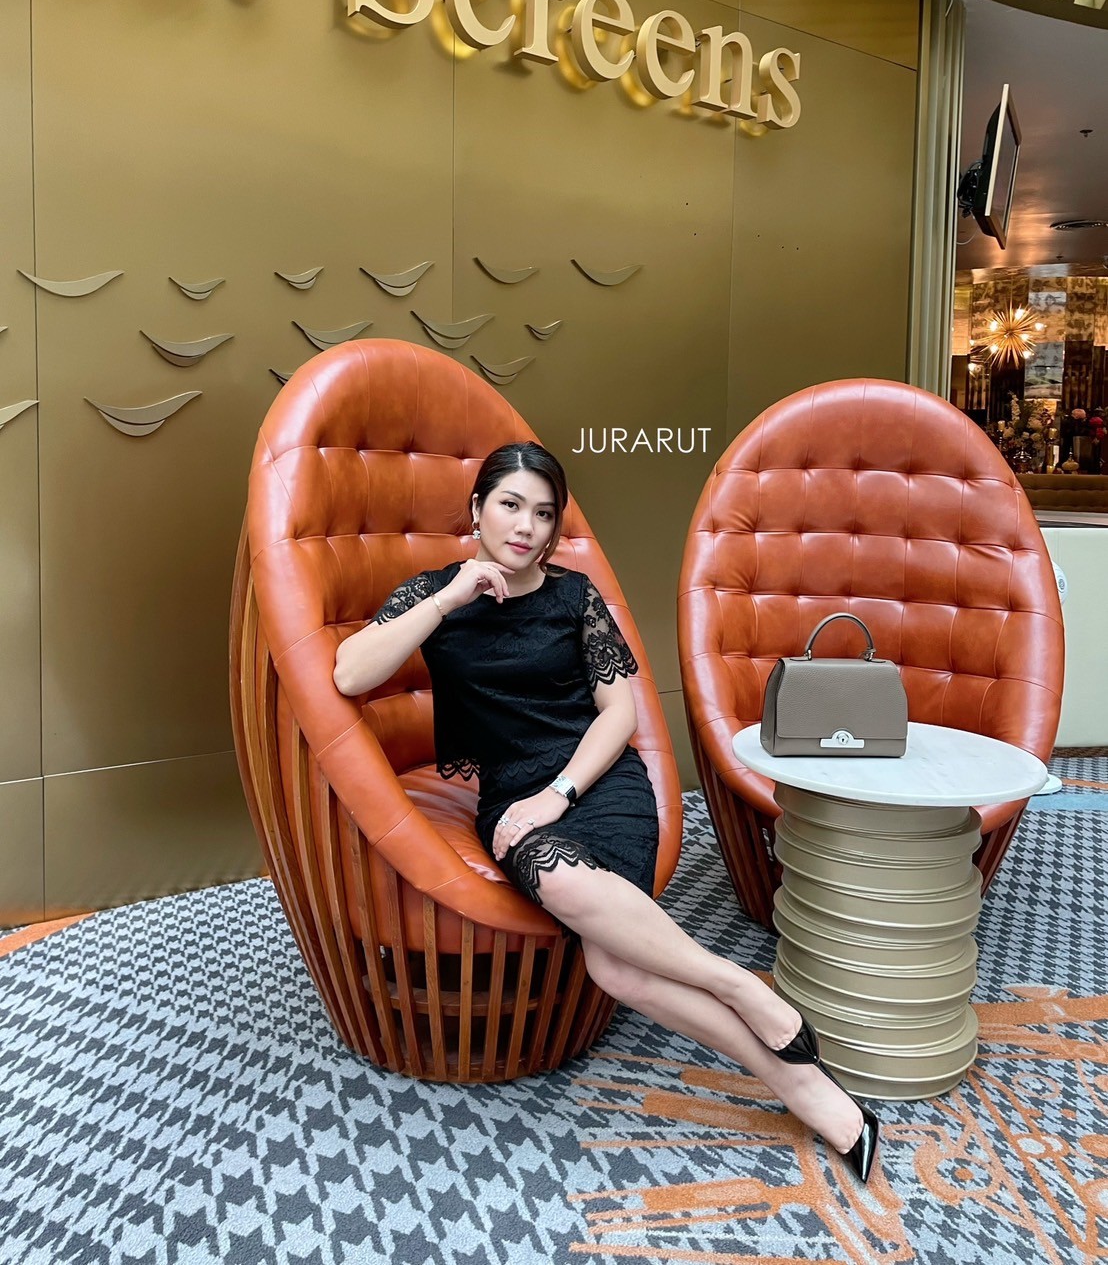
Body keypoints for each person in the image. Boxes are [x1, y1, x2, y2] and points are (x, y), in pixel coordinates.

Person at [332, 440, 878, 1183]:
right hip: (509, 789)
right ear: (478, 509)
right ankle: (757, 1011)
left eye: (543, 513)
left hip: (596, 783)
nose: (526, 526)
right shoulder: (436, 595)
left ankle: (785, 1059)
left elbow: (619, 713)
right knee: (612, 961)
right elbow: (351, 672)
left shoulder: (573, 596)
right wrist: (450, 598)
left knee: (617, 967)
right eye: (510, 505)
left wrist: (558, 793)